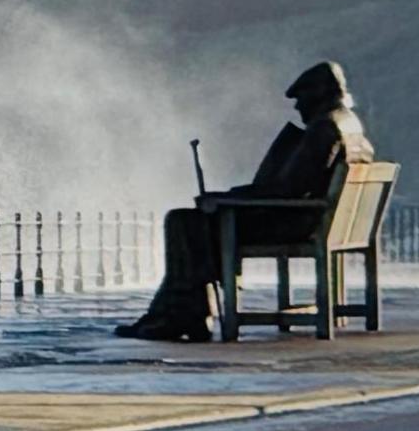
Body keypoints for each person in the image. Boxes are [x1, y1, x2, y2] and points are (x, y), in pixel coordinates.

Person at [117, 62, 373, 340]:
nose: (298, 108)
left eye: (301, 100)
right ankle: (179, 311)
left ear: (318, 94)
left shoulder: (324, 129)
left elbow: (287, 190)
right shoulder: (347, 124)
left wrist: (227, 197)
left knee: (183, 222)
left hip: (295, 222)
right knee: (191, 224)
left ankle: (184, 313)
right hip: (321, 220)